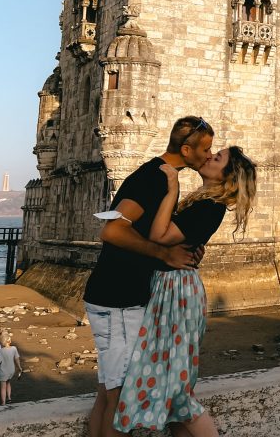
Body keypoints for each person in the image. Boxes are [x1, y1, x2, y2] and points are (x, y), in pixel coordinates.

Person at [84, 116, 215, 437]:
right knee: (120, 399)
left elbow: (150, 231)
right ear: (187, 149)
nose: (210, 156)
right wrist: (163, 254)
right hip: (118, 298)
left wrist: (184, 248)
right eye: (207, 149)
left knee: (107, 392)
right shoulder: (153, 178)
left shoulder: (164, 177)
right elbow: (112, 229)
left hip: (113, 295)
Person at [115, 146, 256, 436]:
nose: (209, 156)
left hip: (176, 292)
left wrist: (171, 188)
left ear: (227, 176)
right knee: (175, 395)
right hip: (172, 288)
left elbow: (159, 236)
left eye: (217, 158)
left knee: (179, 396)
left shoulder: (208, 207)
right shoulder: (204, 204)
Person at [0, 333, 23, 404]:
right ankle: (9, 398)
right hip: (11, 370)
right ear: (9, 341)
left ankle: (3, 402)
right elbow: (17, 358)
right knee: (8, 383)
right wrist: (19, 367)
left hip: (3, 371)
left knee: (3, 387)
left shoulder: (1, 351)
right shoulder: (14, 348)